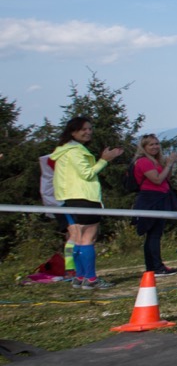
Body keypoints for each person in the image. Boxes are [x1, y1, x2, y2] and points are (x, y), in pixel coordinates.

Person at [50, 117, 124, 289]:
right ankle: (90, 279)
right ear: (72, 131)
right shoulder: (74, 151)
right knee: (88, 239)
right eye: (84, 129)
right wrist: (104, 160)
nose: (88, 132)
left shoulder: (64, 150)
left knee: (77, 239)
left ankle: (80, 276)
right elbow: (87, 174)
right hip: (84, 199)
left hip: (68, 199)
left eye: (90, 129)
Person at [132, 134, 177, 276]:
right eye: (151, 144)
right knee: (153, 234)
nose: (155, 147)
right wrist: (169, 164)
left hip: (159, 198)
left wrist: (169, 164)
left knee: (154, 234)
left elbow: (166, 178)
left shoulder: (154, 161)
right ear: (144, 147)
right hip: (151, 200)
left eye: (156, 144)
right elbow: (157, 180)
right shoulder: (144, 162)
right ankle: (156, 267)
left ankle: (153, 267)